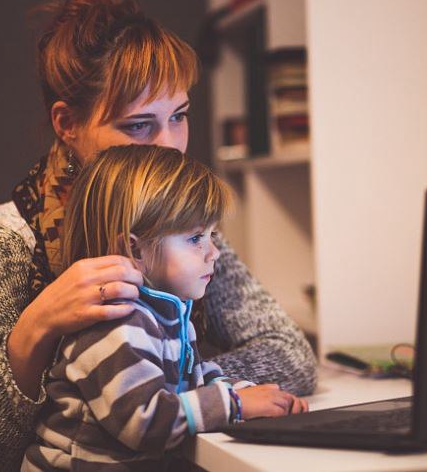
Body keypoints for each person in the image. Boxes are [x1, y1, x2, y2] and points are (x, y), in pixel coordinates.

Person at [0, 0, 316, 470]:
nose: (170, 145)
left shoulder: (176, 229)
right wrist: (35, 329)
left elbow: (291, 355)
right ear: (67, 124)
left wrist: (143, 391)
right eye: (138, 125)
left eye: (179, 116)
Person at [21, 144, 308, 470]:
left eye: (212, 235)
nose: (213, 252)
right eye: (195, 238)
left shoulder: (168, 314)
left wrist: (242, 391)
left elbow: (192, 376)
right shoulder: (115, 324)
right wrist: (235, 404)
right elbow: (145, 422)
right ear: (135, 249)